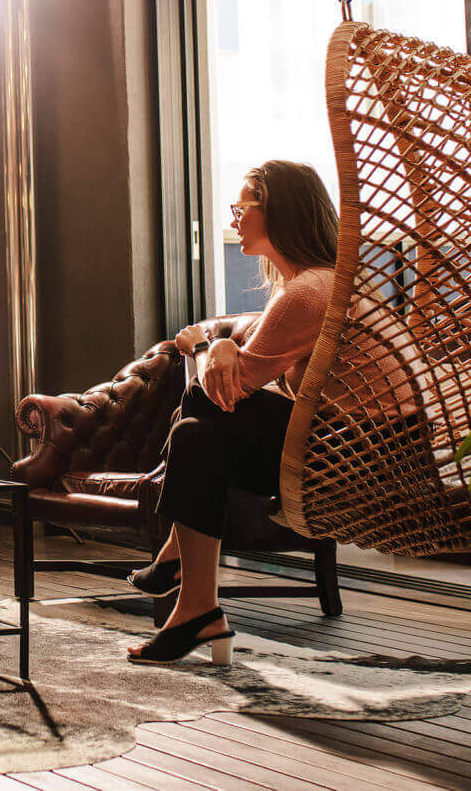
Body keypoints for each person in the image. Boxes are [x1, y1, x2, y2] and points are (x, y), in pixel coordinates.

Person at [126, 160, 339, 665]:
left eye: (243, 207)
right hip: (341, 443)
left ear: (279, 212)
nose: (235, 218)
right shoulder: (314, 285)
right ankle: (195, 604)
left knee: (201, 415)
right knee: (198, 436)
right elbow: (235, 383)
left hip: (348, 457)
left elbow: (225, 389)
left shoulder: (310, 291)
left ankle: (188, 584)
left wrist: (206, 345)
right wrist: (220, 351)